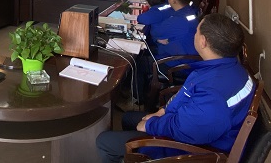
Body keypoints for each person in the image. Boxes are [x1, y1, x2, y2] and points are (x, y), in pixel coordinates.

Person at [96, 14, 255, 162]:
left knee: (104, 141)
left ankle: (136, 153)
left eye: (196, 31)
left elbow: (187, 130)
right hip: (191, 126)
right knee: (128, 118)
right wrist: (163, 111)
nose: (194, 34)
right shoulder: (231, 68)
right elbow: (188, 98)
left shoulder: (214, 94)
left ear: (203, 41)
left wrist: (151, 125)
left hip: (190, 150)